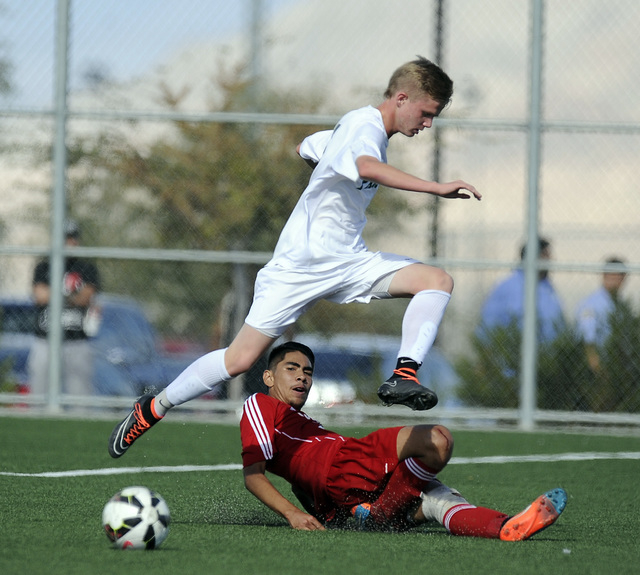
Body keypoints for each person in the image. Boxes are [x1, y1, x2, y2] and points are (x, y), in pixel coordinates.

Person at [108, 56, 482, 459]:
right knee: (239, 359)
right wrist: (434, 188)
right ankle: (153, 407)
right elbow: (363, 164)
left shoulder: (357, 129)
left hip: (348, 261)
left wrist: (321, 162)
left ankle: (403, 376)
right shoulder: (365, 127)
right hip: (300, 267)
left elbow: (307, 147)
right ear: (403, 97)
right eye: (427, 114)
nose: (427, 124)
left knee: (437, 281)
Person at [240, 341, 567, 540]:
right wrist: (292, 514)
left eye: (308, 371)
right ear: (268, 376)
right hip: (346, 463)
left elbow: (303, 480)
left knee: (440, 500)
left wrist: (326, 510)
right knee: (437, 440)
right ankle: (379, 514)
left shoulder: (307, 423)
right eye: (291, 368)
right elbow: (254, 475)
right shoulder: (260, 404)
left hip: (354, 486)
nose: (302, 376)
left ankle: (505, 527)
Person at [28, 219, 101, 396]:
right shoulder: (44, 266)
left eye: (73, 237)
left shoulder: (86, 268)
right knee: (38, 394)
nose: (70, 242)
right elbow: (40, 296)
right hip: (45, 340)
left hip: (76, 340)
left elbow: (86, 297)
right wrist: (70, 294)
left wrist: (56, 294)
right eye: (66, 238)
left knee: (79, 397)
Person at [478, 237, 565, 344]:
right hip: (514, 355)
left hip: (549, 356)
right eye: (545, 255)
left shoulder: (547, 287)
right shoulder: (509, 287)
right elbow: (488, 325)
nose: (550, 260)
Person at [574, 258, 627, 372]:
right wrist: (598, 369)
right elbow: (587, 339)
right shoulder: (592, 304)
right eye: (611, 275)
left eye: (619, 276)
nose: (615, 280)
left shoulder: (619, 305)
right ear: (604, 275)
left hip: (617, 365)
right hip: (598, 365)